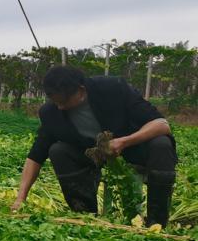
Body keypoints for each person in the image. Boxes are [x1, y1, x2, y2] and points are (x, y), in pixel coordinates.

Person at [11, 66, 176, 226]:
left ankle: (157, 222)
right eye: (56, 102)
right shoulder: (51, 112)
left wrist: (124, 142)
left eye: (64, 101)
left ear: (81, 90)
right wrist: (20, 198)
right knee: (58, 151)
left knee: (161, 144)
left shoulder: (113, 89)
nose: (60, 107)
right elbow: (35, 156)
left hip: (132, 149)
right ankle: (86, 216)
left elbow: (161, 125)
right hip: (93, 157)